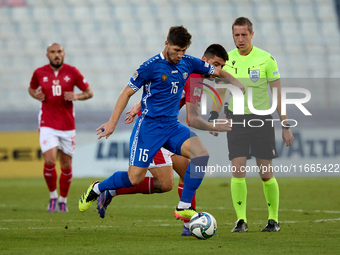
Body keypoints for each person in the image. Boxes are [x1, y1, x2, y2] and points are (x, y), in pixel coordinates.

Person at [78, 26, 245, 223]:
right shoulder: (150, 66)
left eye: (183, 50)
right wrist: (112, 122)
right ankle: (97, 188)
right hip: (149, 128)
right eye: (177, 50)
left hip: (171, 127)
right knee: (134, 178)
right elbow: (126, 93)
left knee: (201, 155)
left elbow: (216, 72)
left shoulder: (189, 63)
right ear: (166, 44)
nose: (180, 55)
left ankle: (183, 208)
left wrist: (239, 85)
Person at [96, 44, 230, 236]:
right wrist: (214, 126)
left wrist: (139, 105)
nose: (218, 70)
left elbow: (162, 92)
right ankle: (109, 190)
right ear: (205, 60)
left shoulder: (194, 76)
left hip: (168, 127)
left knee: (176, 177)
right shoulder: (193, 76)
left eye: (222, 66)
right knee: (156, 180)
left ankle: (187, 224)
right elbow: (189, 116)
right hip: (155, 130)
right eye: (216, 64)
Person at [209, 17, 294, 232]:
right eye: (236, 35)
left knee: (265, 173)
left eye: (243, 35)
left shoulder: (266, 59)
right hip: (236, 121)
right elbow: (219, 92)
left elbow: (277, 95)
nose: (240, 39)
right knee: (238, 170)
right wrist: (212, 117)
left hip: (261, 121)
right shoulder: (226, 61)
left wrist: (285, 124)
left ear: (252, 34)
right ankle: (240, 221)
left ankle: (273, 220)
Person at [29, 43, 93, 213]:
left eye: (59, 52)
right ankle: (53, 196)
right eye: (53, 52)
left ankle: (63, 200)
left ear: (63, 54)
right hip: (47, 123)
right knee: (50, 160)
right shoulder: (39, 73)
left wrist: (77, 96)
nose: (56, 55)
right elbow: (31, 88)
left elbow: (89, 92)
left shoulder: (72, 72)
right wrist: (35, 94)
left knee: (66, 165)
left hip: (67, 125)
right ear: (47, 55)